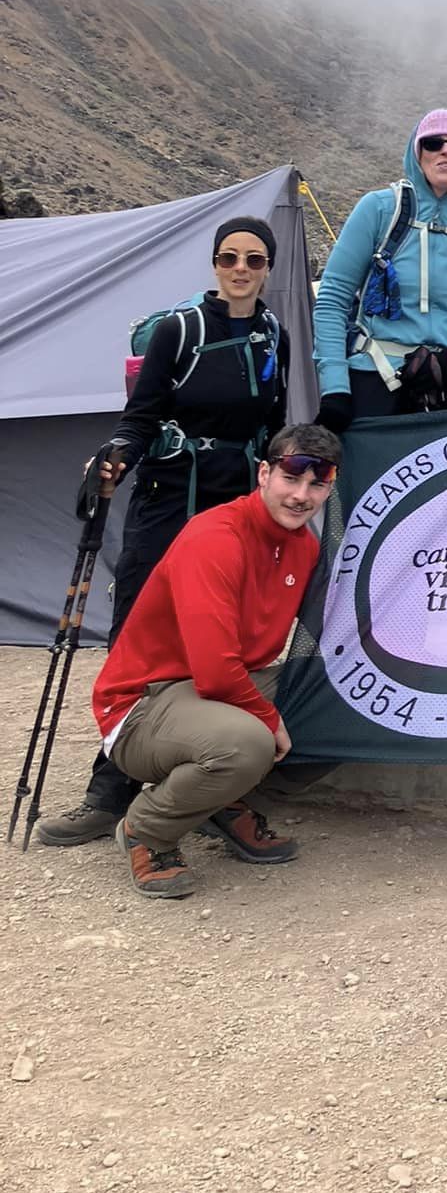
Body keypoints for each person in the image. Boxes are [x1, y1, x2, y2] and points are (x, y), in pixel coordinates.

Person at [36, 216, 291, 847]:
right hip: (167, 496)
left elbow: (274, 420)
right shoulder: (179, 330)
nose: (240, 268)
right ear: (214, 264)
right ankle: (110, 785)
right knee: (137, 632)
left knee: (224, 636)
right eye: (229, 257)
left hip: (234, 503)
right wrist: (115, 456)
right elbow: (140, 416)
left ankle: (212, 785)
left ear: (268, 270)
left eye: (254, 260)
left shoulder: (271, 335)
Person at [92, 424, 341, 898]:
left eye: (317, 484)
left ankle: (222, 802)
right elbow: (213, 668)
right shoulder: (214, 535)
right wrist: (270, 719)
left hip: (215, 694)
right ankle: (147, 828)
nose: (301, 496)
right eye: (290, 478)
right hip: (143, 704)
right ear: (264, 474)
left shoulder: (306, 545)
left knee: (343, 696)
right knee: (249, 742)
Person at [312, 109, 447, 428]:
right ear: (416, 151)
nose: (446, 150)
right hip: (374, 380)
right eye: (433, 143)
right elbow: (332, 299)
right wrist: (335, 388)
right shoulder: (378, 210)